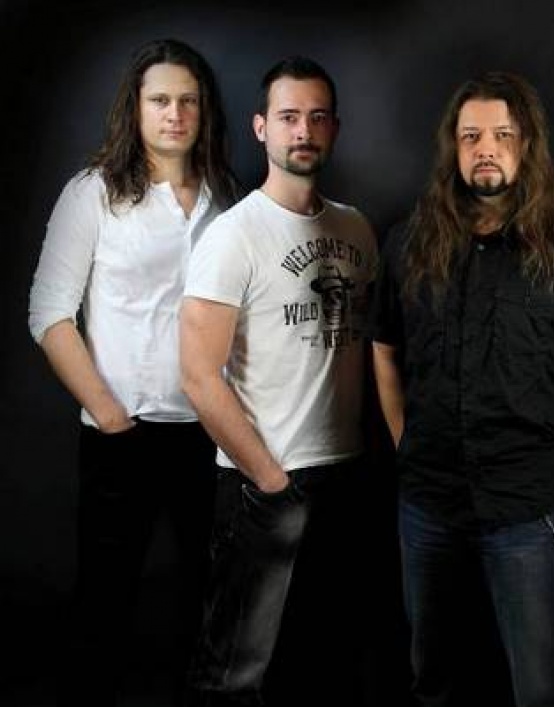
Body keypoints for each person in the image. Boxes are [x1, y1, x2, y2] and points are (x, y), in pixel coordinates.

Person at [370, 70, 554, 707]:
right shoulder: (410, 242)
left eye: (502, 135)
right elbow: (383, 347)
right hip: (429, 504)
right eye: (471, 137)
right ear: (454, 147)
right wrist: (407, 441)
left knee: (543, 688)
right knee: (434, 678)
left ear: (527, 145)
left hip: (531, 505)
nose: (485, 149)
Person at [26, 38, 238, 707]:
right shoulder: (93, 193)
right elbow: (49, 313)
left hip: (212, 433)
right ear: (136, 108)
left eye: (188, 100)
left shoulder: (226, 199)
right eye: (160, 100)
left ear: (205, 110)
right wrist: (110, 414)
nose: (175, 113)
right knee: (105, 603)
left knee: (207, 603)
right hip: (124, 432)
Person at [179, 55, 378, 706]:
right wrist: (267, 479)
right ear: (261, 127)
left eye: (318, 117)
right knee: (237, 670)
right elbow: (198, 375)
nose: (304, 130)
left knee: (325, 661)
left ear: (335, 129)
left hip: (346, 474)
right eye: (289, 117)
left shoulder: (355, 227)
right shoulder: (232, 236)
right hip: (264, 480)